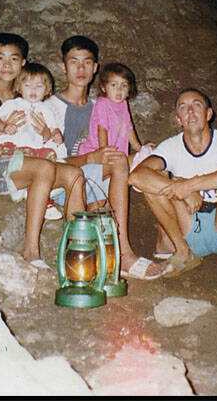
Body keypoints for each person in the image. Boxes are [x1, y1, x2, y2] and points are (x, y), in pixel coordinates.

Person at [48, 36, 165, 280]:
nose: (81, 68)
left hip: (97, 172)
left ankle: (167, 242)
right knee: (119, 162)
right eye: (73, 62)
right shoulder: (51, 108)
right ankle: (124, 252)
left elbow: (122, 136)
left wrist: (143, 151)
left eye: (86, 62)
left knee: (151, 161)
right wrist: (90, 157)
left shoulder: (103, 104)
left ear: (95, 68)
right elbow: (50, 164)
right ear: (63, 66)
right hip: (64, 182)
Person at [0, 32, 84, 268]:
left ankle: (77, 250)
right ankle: (31, 250)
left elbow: (53, 138)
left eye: (14, 59)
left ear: (23, 63)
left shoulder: (35, 102)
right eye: (0, 58)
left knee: (75, 175)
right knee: (45, 167)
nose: (7, 65)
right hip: (0, 165)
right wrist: (0, 128)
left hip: (30, 162)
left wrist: (48, 133)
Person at [129, 88, 217, 281]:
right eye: (183, 107)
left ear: (208, 114)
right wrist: (179, 188)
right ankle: (183, 251)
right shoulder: (170, 146)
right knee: (152, 184)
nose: (190, 111)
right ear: (178, 119)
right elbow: (137, 176)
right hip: (191, 228)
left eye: (196, 105)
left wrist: (190, 186)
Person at [0, 62, 81, 220]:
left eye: (39, 86)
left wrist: (56, 135)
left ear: (47, 90)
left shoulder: (47, 109)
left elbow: (53, 129)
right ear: (19, 87)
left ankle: (36, 195)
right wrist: (4, 126)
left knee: (53, 162)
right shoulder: (12, 104)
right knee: (40, 166)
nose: (33, 90)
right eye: (27, 85)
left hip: (37, 153)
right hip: (16, 152)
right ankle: (39, 198)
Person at [77, 62, 155, 172]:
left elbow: (128, 128)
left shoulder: (123, 104)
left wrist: (139, 148)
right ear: (104, 88)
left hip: (117, 156)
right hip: (97, 153)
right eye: (113, 85)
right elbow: (102, 129)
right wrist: (104, 152)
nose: (119, 90)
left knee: (148, 154)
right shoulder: (102, 104)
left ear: (129, 90)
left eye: (124, 86)